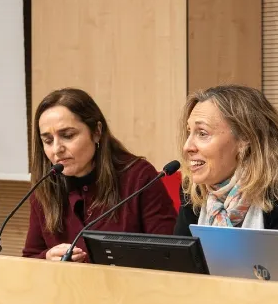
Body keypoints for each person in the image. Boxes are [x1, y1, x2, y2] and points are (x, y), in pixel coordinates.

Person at [174, 85, 278, 285]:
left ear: (245, 139)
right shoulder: (195, 193)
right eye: (189, 132)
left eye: (202, 133)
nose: (187, 146)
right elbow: (178, 274)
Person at [23, 88, 177, 261]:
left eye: (67, 135)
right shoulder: (46, 184)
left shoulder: (138, 177)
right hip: (65, 286)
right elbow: (30, 258)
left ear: (96, 132)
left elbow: (170, 256)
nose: (57, 149)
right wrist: (47, 258)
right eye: (48, 141)